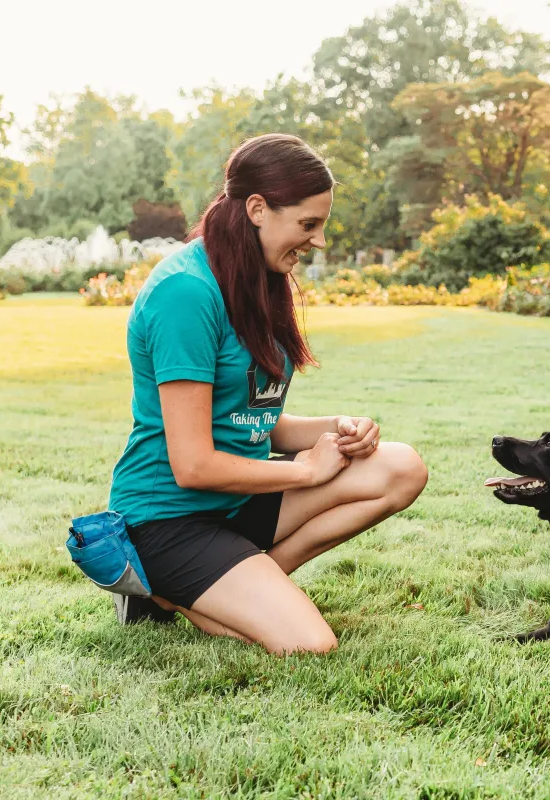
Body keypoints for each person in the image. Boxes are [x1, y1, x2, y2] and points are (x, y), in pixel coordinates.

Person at [106, 133, 428, 650]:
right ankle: (162, 589)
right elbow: (193, 465)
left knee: (401, 466)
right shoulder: (185, 292)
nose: (319, 240)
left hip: (241, 502)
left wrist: (337, 428)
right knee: (309, 644)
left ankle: (226, 587)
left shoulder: (258, 276)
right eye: (308, 224)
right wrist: (304, 470)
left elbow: (256, 422)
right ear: (257, 209)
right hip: (171, 518)